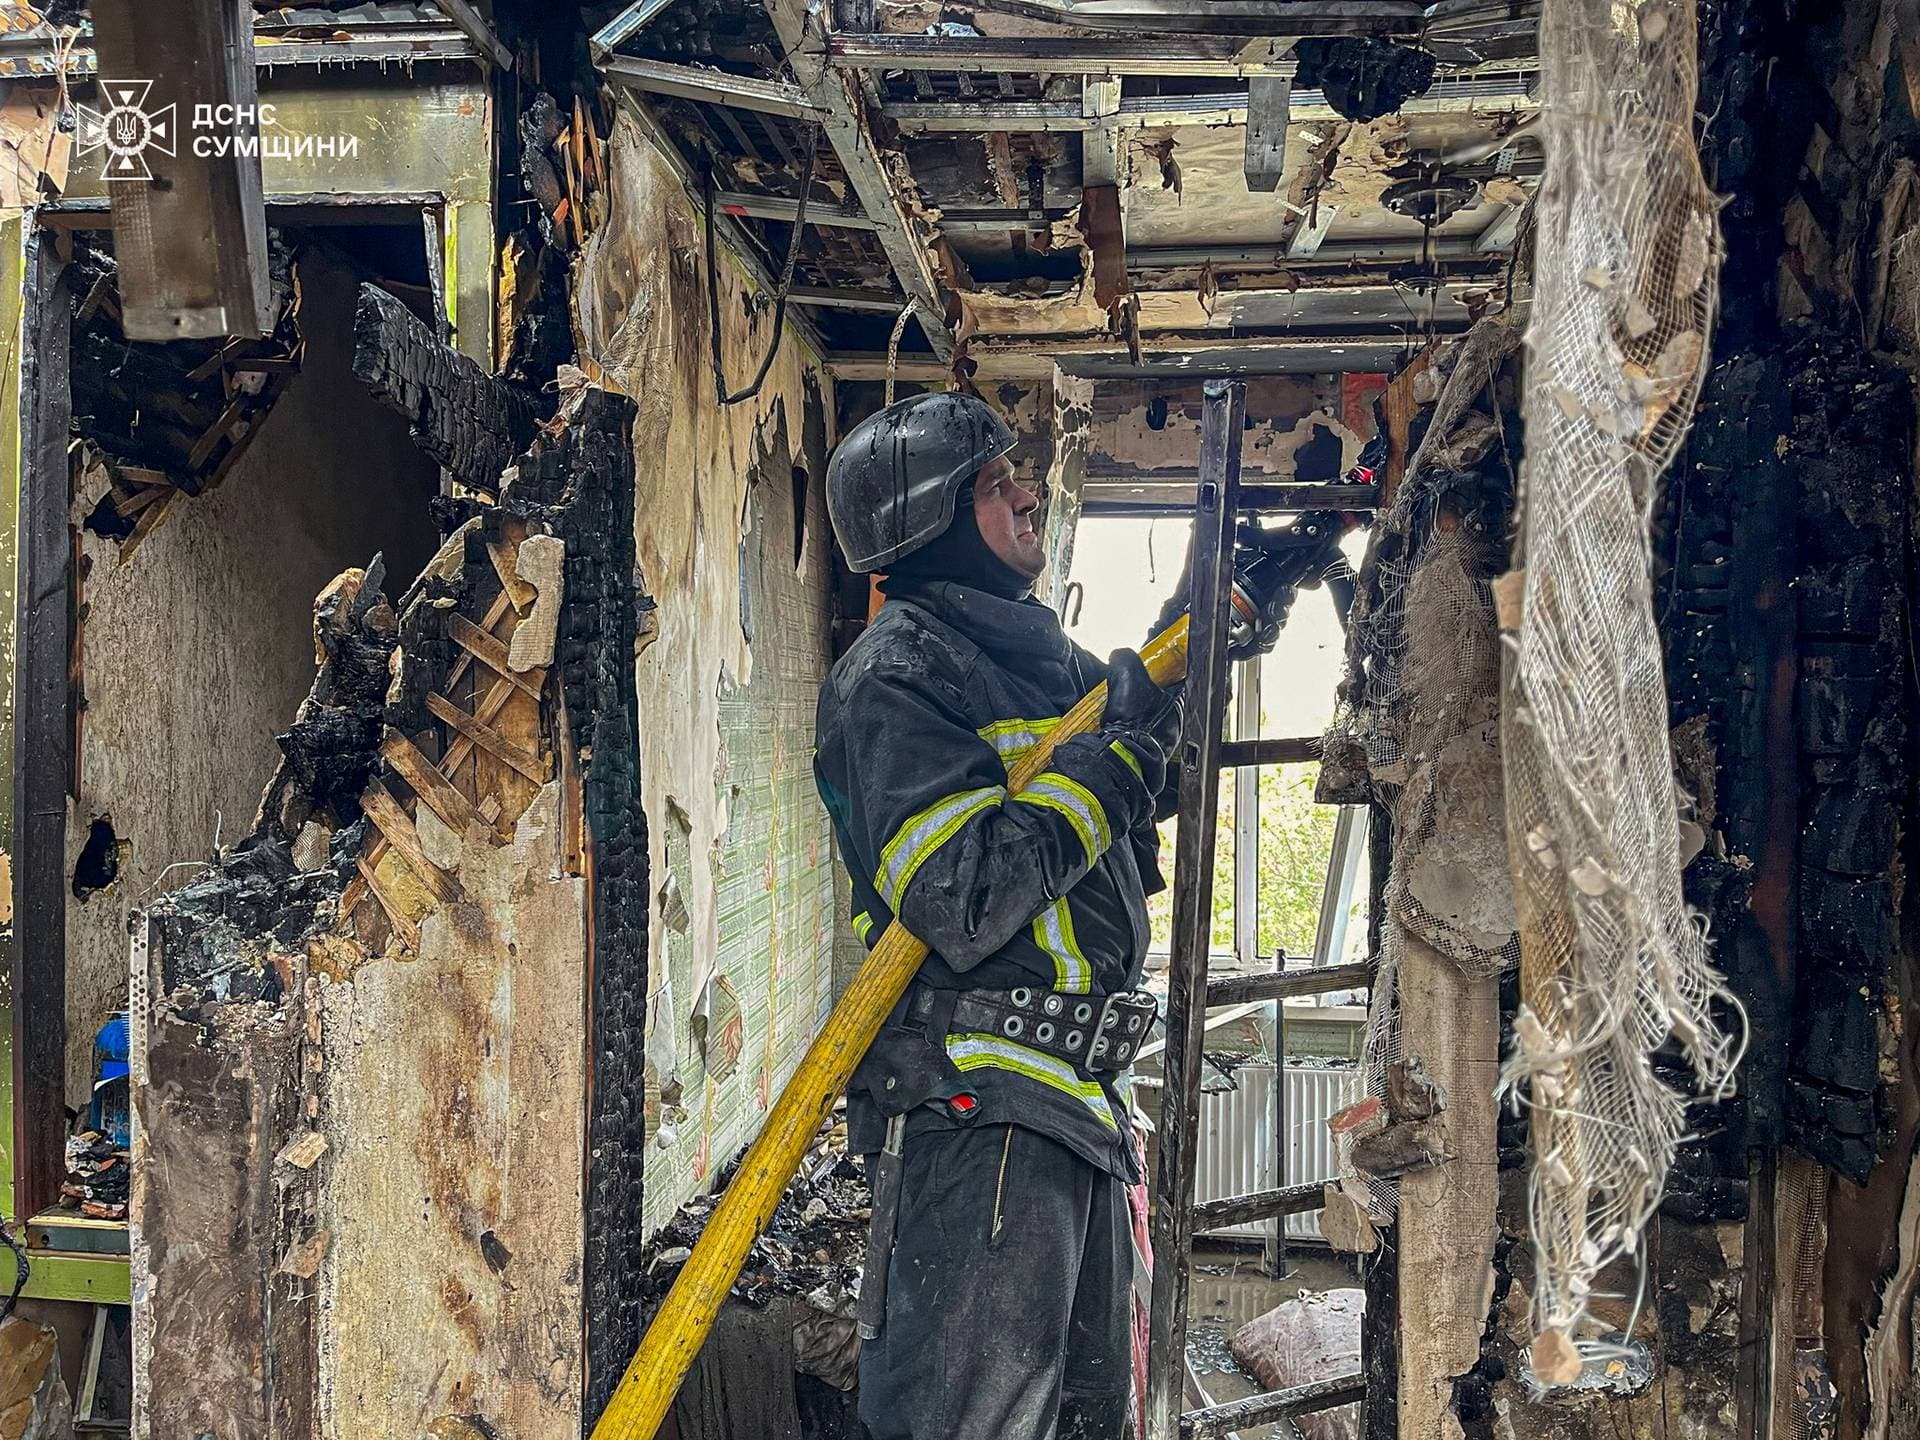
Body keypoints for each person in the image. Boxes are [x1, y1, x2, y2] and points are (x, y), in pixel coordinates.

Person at [813, 392, 1184, 1440]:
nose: (1027, 496)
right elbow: (964, 896)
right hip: (983, 1109)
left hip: (1077, 1102)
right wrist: (1115, 765)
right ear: (930, 521)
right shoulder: (897, 676)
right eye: (993, 483)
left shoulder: (1045, 664)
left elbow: (1131, 805)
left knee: (1087, 1420)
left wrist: (1196, 653)